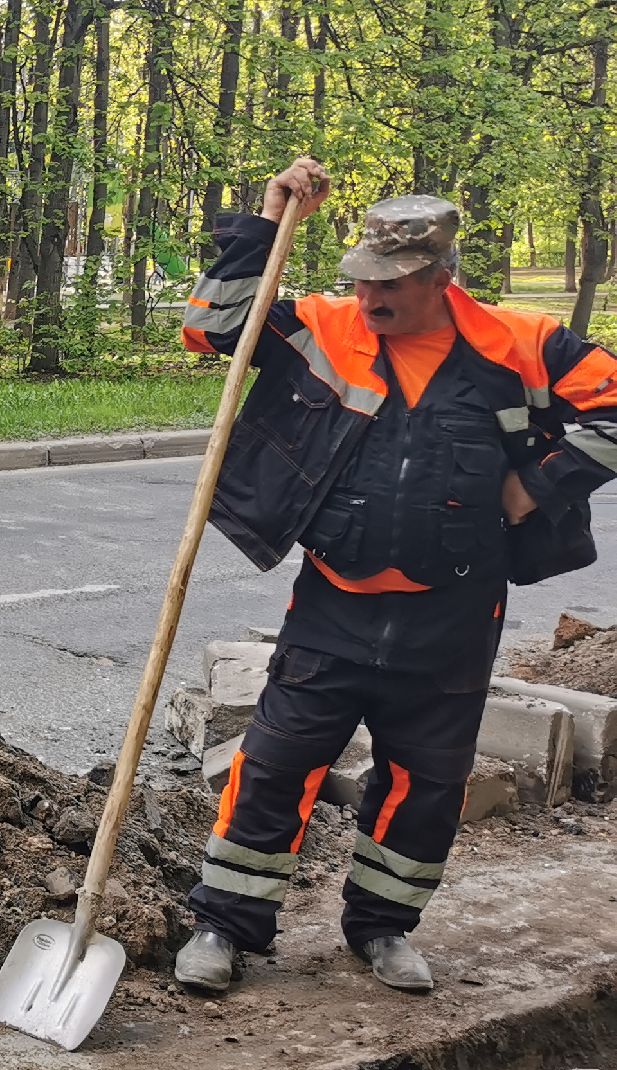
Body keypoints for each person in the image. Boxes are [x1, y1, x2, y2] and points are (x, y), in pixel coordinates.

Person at [173, 157, 617, 995]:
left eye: (393, 287)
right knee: (272, 765)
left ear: (441, 278)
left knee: (424, 784)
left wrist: (536, 485)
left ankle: (380, 928)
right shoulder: (327, 326)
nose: (372, 300)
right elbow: (209, 329)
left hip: (452, 615)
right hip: (332, 606)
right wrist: (268, 220)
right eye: (363, 282)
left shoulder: (515, 341)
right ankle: (225, 925)